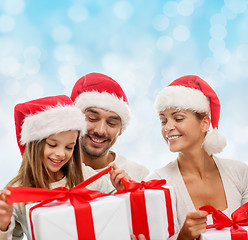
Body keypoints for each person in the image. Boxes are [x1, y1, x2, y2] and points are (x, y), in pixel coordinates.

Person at [0, 95, 127, 240]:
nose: (60, 154)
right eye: (52, 145)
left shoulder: (87, 176)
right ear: (34, 145)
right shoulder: (18, 192)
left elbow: (116, 212)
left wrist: (122, 191)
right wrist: (3, 226)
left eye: (69, 147)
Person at [146, 75, 248, 239]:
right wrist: (183, 237)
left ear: (205, 123)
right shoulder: (158, 183)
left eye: (178, 118)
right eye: (163, 121)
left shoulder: (240, 173)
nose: (168, 127)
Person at [70, 72, 150, 182]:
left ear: (121, 130)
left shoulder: (139, 176)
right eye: (92, 118)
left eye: (111, 123)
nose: (100, 130)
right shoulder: (51, 171)